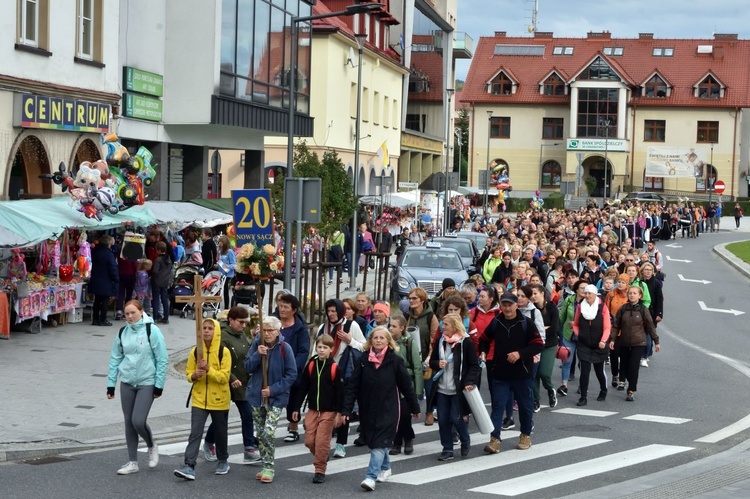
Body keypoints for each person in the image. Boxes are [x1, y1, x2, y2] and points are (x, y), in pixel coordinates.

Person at [337, 326, 420, 491]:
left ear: (388, 341)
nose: (379, 340)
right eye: (376, 338)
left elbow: (406, 386)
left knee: (379, 444)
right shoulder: (363, 361)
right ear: (370, 341)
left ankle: (370, 477)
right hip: (368, 409)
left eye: (382, 338)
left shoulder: (395, 361)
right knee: (376, 442)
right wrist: (346, 410)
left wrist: (414, 407)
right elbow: (353, 386)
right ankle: (386, 467)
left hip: (389, 409)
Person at [107, 300, 168, 475]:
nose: (130, 316)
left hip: (147, 382)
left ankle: (151, 445)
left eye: (133, 312)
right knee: (128, 422)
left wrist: (159, 386)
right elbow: (115, 358)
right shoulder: (122, 333)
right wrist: (111, 384)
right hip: (127, 382)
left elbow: (162, 359)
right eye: (126, 314)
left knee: (138, 421)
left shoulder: (152, 331)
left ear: (142, 311)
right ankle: (132, 462)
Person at [479, 293, 543, 454]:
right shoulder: (496, 322)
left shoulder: (525, 323)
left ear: (516, 305)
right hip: (500, 372)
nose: (507, 308)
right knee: (498, 406)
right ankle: (494, 440)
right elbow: (484, 339)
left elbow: (538, 344)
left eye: (510, 304)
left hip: (522, 373)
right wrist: (483, 352)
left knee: (525, 406)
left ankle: (525, 435)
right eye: (504, 304)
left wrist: (520, 354)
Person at [174, 318, 231, 480]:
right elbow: (188, 373)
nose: (206, 331)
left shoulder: (223, 352)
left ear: (216, 332)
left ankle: (222, 460)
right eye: (204, 328)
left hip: (219, 400)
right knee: (195, 433)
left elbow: (224, 378)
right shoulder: (195, 351)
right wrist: (194, 375)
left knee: (220, 432)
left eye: (210, 328)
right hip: (199, 399)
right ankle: (189, 465)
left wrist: (208, 370)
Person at [202, 307, 259, 464]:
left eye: (245, 323)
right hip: (226, 380)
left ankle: (249, 449)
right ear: (231, 320)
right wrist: (231, 377)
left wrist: (256, 340)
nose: (243, 326)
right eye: (241, 322)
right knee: (221, 418)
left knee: (247, 415)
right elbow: (220, 360)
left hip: (242, 382)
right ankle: (208, 443)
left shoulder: (242, 335)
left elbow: (246, 356)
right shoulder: (223, 336)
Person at [244, 316, 297, 483]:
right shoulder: (256, 344)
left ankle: (269, 466)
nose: (266, 334)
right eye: (264, 330)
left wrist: (273, 390)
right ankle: (265, 463)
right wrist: (257, 355)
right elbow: (247, 367)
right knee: (260, 433)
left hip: (276, 398)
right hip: (256, 396)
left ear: (277, 331)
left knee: (268, 431)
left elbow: (291, 375)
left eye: (270, 330)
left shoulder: (284, 348)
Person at [316, 299, 366, 458]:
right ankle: (327, 438)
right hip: (325, 374)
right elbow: (314, 351)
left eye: (333, 311)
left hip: (345, 374)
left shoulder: (351, 326)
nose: (330, 314)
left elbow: (365, 347)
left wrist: (350, 340)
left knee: (343, 409)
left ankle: (341, 444)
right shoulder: (323, 327)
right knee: (326, 409)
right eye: (328, 311)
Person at [291, 334, 344, 484]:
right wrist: (296, 407)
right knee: (309, 441)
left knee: (321, 441)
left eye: (325, 348)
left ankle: (320, 470)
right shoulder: (311, 364)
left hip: (329, 411)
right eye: (319, 347)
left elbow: (340, 393)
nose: (321, 350)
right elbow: (303, 388)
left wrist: (340, 413)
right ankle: (321, 455)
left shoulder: (334, 368)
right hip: (313, 409)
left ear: (331, 350)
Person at [428, 313, 480, 461]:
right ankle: (447, 448)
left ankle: (465, 439)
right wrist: (437, 364)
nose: (442, 327)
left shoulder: (465, 343)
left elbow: (474, 366)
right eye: (442, 324)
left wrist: (469, 382)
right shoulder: (440, 341)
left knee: (456, 418)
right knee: (443, 419)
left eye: (446, 325)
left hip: (457, 388)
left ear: (455, 326)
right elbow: (432, 362)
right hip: (441, 388)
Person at [611, 285, 660, 401]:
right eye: (630, 293)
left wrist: (656, 341)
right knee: (624, 364)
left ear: (640, 296)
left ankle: (631, 390)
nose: (632, 295)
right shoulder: (623, 309)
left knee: (633, 367)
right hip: (624, 341)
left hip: (638, 343)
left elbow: (650, 326)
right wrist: (612, 339)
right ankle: (623, 380)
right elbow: (616, 326)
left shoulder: (643, 309)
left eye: (634, 293)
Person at [276, 293, 310, 443]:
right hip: (274, 369)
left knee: (293, 399)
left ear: (294, 310)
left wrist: (293, 368)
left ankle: (293, 426)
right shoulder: (273, 324)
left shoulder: (300, 329)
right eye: (280, 306)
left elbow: (303, 351)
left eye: (286, 307)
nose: (282, 309)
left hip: (292, 370)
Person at [571, 285, 611, 406]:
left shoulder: (602, 307)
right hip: (584, 344)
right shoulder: (580, 307)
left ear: (595, 295)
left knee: (599, 371)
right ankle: (583, 397)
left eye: (590, 294)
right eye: (586, 293)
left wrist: (603, 340)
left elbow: (607, 327)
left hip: (599, 344)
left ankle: (603, 390)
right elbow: (576, 324)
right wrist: (579, 334)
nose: (587, 296)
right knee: (584, 371)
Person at [389, 315, 423, 455]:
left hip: (407, 384)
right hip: (392, 384)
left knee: (404, 414)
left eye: (394, 326)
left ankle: (408, 439)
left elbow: (417, 367)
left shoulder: (409, 343)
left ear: (402, 328)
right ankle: (396, 443)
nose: (390, 328)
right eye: (390, 326)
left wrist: (418, 390)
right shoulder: (388, 342)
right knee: (395, 415)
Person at [406, 287, 440, 424]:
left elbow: (434, 339)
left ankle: (429, 411)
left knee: (429, 386)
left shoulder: (431, 317)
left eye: (414, 298)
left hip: (427, 357)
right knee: (410, 386)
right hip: (410, 358)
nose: (411, 301)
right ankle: (409, 411)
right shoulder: (407, 316)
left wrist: (429, 357)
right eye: (410, 298)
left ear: (422, 300)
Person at [529, 284, 560, 411]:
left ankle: (550, 389)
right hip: (534, 345)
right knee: (534, 374)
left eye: (535, 293)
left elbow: (554, 328)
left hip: (549, 344)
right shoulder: (531, 309)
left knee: (544, 373)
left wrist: (540, 330)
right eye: (531, 294)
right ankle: (536, 400)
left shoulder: (552, 308)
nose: (533, 296)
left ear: (542, 293)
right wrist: (541, 329)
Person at [557, 279, 586, 396]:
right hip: (569, 334)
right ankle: (564, 385)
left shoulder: (590, 302)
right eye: (582, 288)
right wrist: (558, 332)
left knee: (583, 362)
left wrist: (577, 324)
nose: (585, 290)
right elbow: (561, 317)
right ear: (577, 289)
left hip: (584, 336)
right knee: (566, 360)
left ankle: (583, 385)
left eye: (587, 288)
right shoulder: (569, 300)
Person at [605, 274, 631, 390]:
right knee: (614, 355)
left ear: (627, 284)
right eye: (619, 281)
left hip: (626, 330)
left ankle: (622, 380)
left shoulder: (630, 295)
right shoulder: (611, 295)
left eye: (623, 282)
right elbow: (605, 311)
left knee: (625, 356)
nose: (620, 284)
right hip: (613, 329)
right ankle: (615, 375)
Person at [90, 234, 119, 326]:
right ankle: (103, 319)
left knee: (97, 300)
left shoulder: (95, 251)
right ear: (109, 244)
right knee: (105, 300)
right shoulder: (108, 254)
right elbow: (112, 267)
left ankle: (95, 319)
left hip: (96, 278)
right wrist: (116, 278)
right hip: (106, 279)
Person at [151, 241, 173, 325]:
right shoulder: (169, 260)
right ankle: (166, 317)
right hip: (165, 282)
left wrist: (152, 277)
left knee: (156, 299)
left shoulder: (158, 260)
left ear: (159, 250)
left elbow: (155, 271)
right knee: (164, 299)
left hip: (157, 281)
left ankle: (155, 317)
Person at [115, 254, 138, 321]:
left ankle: (119, 310)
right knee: (129, 294)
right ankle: (126, 311)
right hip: (130, 276)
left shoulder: (120, 254)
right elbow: (135, 266)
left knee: (121, 294)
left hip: (121, 275)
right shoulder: (132, 255)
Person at [216, 235, 236, 309]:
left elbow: (234, 264)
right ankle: (217, 306)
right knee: (219, 290)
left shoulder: (230, 252)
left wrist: (228, 266)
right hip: (220, 274)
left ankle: (226, 307)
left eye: (221, 242)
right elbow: (220, 261)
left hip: (228, 275)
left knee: (225, 291)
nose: (219, 244)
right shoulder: (220, 251)